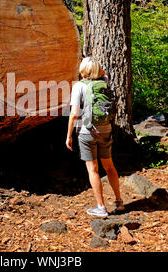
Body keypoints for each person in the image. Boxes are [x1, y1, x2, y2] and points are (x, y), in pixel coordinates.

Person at [66, 57, 124, 217]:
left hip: (87, 132)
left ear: (82, 70)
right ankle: (119, 202)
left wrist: (69, 135)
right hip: (106, 130)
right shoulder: (104, 82)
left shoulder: (78, 86)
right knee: (109, 166)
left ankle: (101, 207)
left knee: (93, 169)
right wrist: (96, 69)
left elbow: (74, 114)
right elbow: (104, 73)